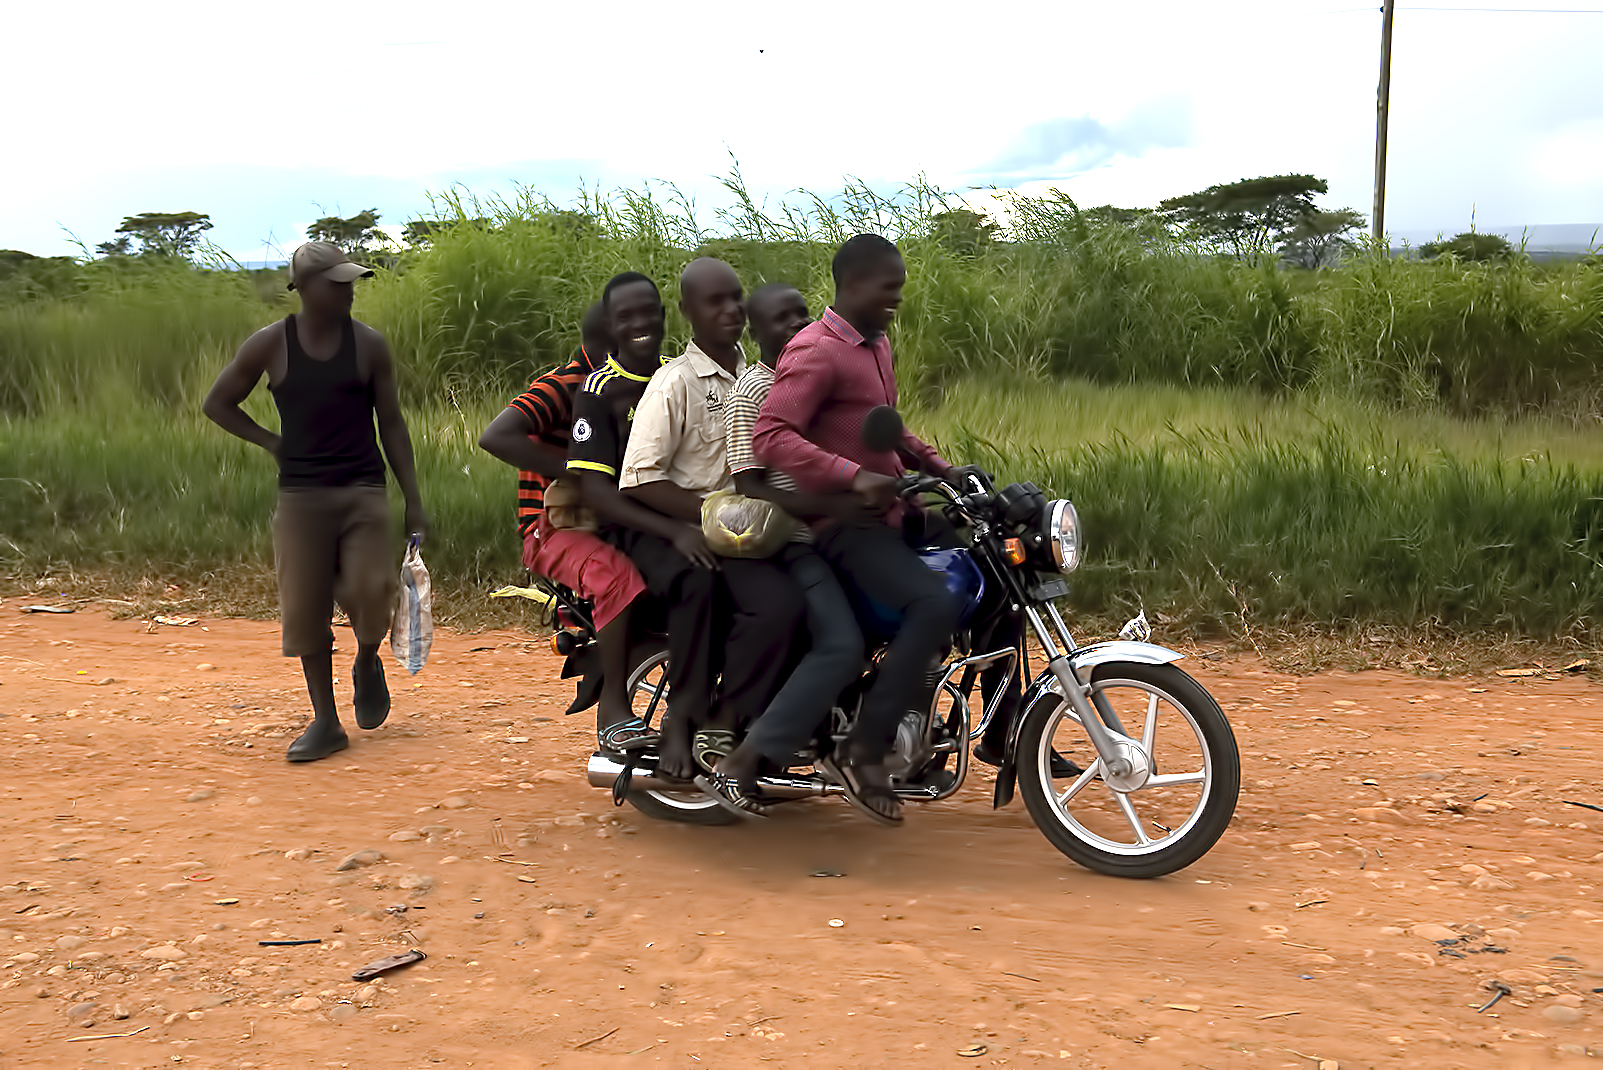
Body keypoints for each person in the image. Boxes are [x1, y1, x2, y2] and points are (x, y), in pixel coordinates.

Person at [753, 233, 965, 825]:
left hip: (892, 511)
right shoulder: (816, 349)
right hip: (843, 524)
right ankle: (865, 749)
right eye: (888, 288)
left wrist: (944, 468)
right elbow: (770, 435)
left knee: (985, 569)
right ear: (852, 286)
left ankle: (974, 731)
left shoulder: (876, 344)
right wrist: (851, 476)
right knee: (931, 603)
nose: (897, 298)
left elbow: (886, 427)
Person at [202, 241, 428, 762]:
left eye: (351, 282)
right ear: (304, 288)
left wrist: (414, 499)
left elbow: (391, 424)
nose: (349, 291)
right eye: (337, 283)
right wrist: (272, 442)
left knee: (373, 591)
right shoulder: (271, 345)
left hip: (362, 490)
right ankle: (326, 720)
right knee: (305, 606)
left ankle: (367, 658)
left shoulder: (369, 345)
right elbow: (218, 402)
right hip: (301, 494)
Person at [618, 258, 805, 782]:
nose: (730, 310)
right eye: (713, 301)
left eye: (735, 298)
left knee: (784, 605)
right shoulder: (673, 383)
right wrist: (703, 517)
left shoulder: (759, 375)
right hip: (677, 526)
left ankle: (744, 719)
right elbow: (639, 478)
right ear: (687, 312)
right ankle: (682, 720)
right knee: (698, 586)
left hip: (744, 532)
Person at [698, 282, 867, 816]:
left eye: (802, 315)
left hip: (841, 533)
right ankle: (741, 763)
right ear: (758, 331)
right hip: (792, 539)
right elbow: (750, 482)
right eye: (782, 319)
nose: (796, 326)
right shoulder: (753, 389)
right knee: (841, 642)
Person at [477, 301, 654, 753]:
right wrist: (577, 471)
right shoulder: (566, 384)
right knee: (616, 577)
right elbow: (495, 435)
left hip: (605, 513)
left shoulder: (636, 384)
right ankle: (614, 708)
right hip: (553, 524)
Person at [566, 272, 719, 781]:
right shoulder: (600, 391)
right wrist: (675, 530)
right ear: (610, 325)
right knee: (697, 580)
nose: (641, 324)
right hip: (631, 529)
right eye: (626, 316)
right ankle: (683, 713)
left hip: (683, 516)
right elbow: (595, 491)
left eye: (649, 312)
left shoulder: (677, 376)